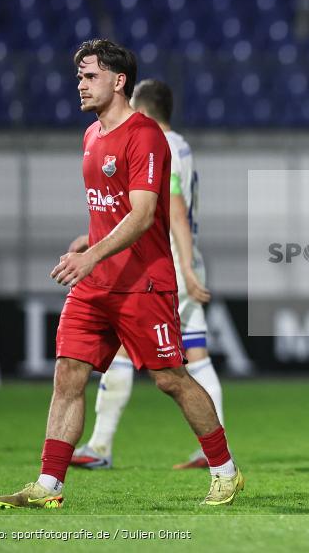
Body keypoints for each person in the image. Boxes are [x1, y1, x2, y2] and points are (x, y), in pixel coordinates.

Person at [0, 39, 242, 509]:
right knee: (68, 373)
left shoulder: (145, 135)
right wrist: (88, 242)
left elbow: (145, 214)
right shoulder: (90, 136)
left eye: (89, 76)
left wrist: (92, 255)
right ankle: (49, 485)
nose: (80, 85)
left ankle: (225, 472)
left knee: (171, 378)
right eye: (79, 78)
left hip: (142, 282)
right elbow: (114, 210)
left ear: (118, 79)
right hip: (95, 284)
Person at [69, 79, 223, 471]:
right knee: (193, 356)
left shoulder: (155, 141)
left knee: (167, 369)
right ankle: (212, 453)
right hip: (174, 260)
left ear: (141, 105)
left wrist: (185, 266)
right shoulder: (181, 143)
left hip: (158, 265)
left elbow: (169, 209)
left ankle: (101, 445)